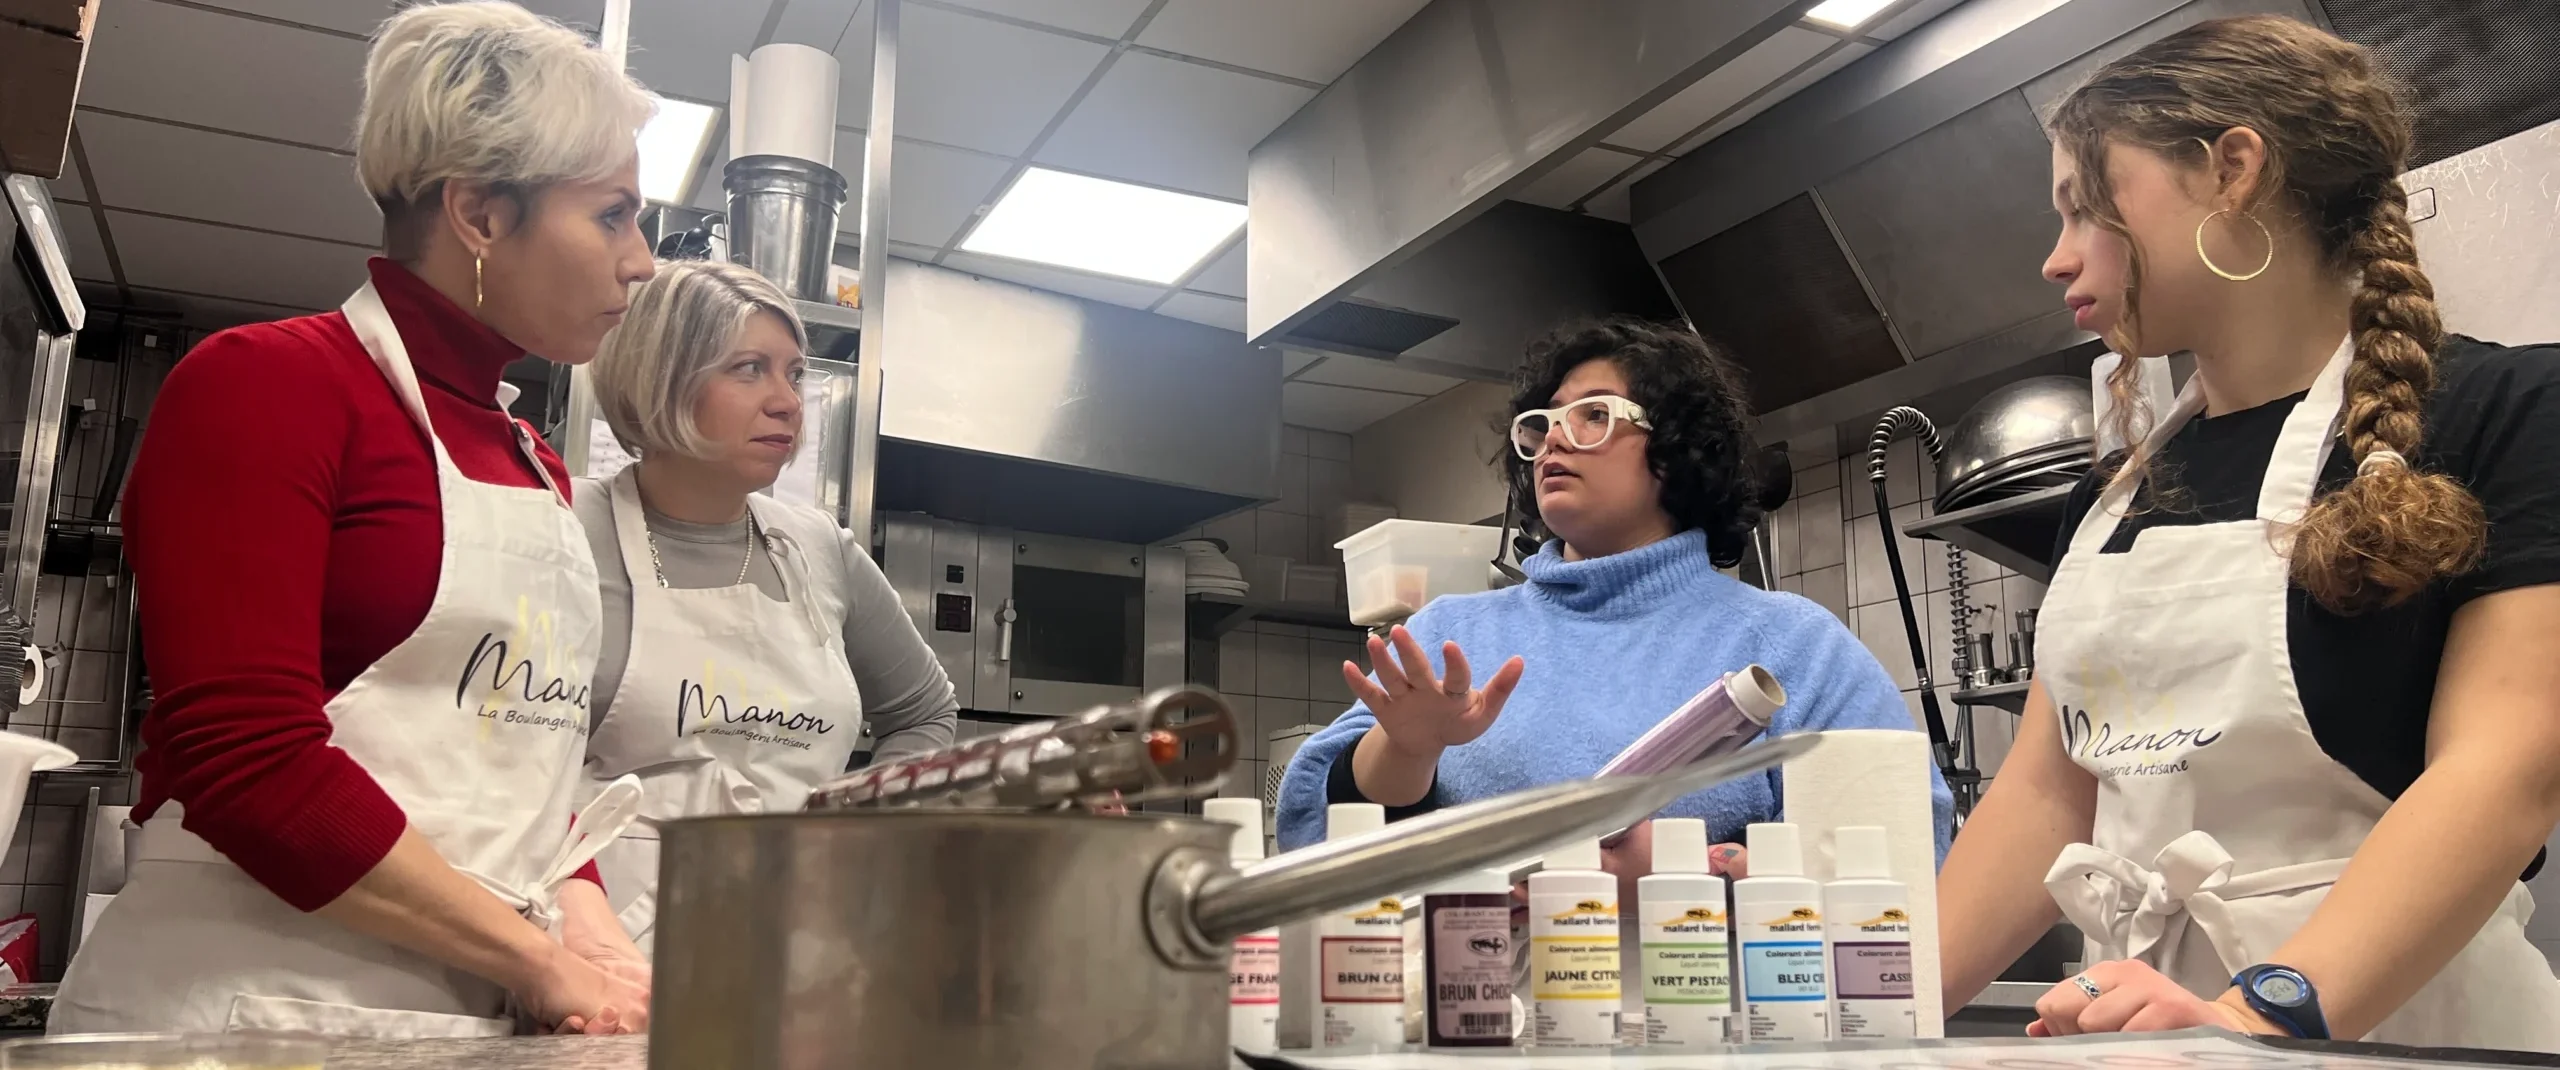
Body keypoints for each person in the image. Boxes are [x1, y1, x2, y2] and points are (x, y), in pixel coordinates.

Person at [1934, 15, 2560, 1049]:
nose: (2055, 259)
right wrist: (1857, 1004)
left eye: (2087, 207)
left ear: (2232, 169)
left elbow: (2506, 767)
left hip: (2405, 1032)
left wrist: (2253, 1010)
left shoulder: (2507, 408)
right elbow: (2048, 793)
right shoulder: (2117, 493)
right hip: (2157, 1033)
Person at [56, 1, 660, 1037]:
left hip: (459, 1025)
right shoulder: (269, 385)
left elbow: (521, 763)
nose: (640, 259)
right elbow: (244, 758)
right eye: (612, 214)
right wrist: (535, 958)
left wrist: (589, 926)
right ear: (478, 212)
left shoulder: (537, 458)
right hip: (248, 1020)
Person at [1274, 317, 1955, 894]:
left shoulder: (1792, 647)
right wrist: (1404, 750)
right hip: (1468, 1035)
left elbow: (1904, 858)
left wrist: (1695, 880)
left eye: (1594, 416)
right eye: (1541, 426)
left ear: (1678, 447)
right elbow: (1306, 836)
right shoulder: (1450, 636)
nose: (1554, 441)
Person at [573, 259, 958, 954]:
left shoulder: (819, 549)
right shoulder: (570, 529)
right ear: (661, 378)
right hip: (610, 956)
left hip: (806, 937)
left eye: (795, 374)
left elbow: (924, 713)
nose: (787, 401)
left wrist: (858, 815)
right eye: (749, 368)